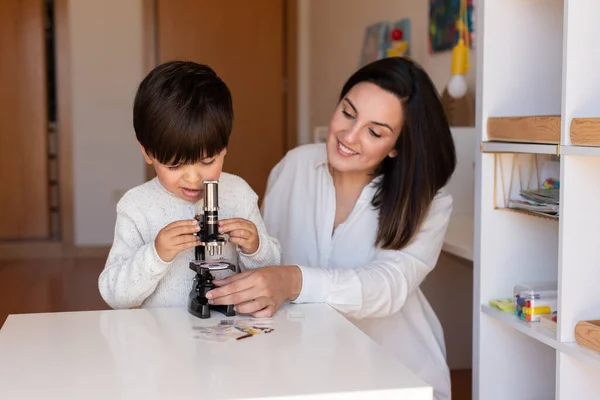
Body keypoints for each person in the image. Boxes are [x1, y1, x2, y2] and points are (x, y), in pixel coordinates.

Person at [205, 57, 456, 400]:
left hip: (395, 373)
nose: (349, 136)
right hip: (301, 367)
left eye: (374, 131)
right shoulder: (294, 166)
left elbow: (388, 286)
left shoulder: (428, 200)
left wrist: (293, 280)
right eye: (348, 113)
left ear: (397, 145)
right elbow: (265, 258)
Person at [98, 61, 281, 309]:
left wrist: (255, 248)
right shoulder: (136, 206)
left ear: (224, 147)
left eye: (207, 161)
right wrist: (156, 254)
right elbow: (115, 295)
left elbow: (270, 275)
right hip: (161, 341)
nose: (194, 178)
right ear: (147, 152)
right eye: (175, 166)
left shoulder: (239, 194)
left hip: (226, 338)